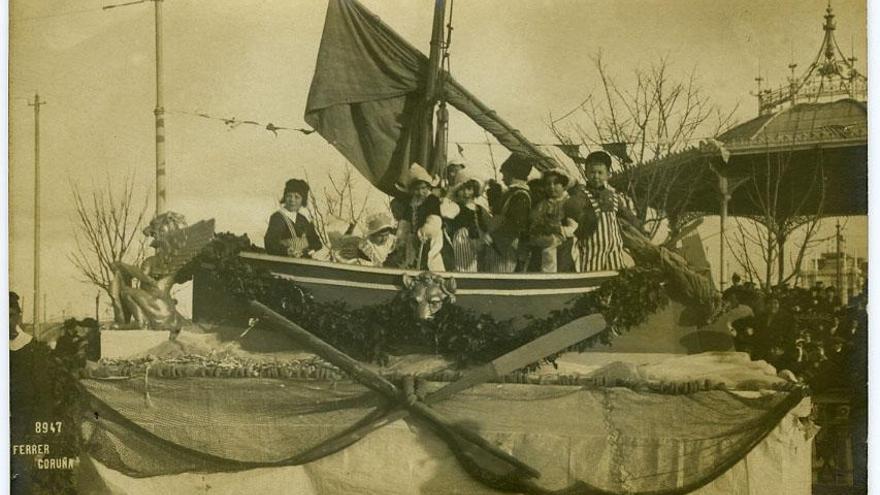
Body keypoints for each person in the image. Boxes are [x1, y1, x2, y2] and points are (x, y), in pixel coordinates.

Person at [565, 151, 637, 272]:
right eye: (592, 172)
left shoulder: (614, 197)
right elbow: (571, 207)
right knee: (591, 279)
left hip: (613, 248)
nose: (596, 176)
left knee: (615, 278)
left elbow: (627, 216)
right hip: (591, 249)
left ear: (608, 174)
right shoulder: (582, 194)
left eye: (600, 172)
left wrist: (639, 227)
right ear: (586, 173)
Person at [484, 154, 534, 272]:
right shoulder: (514, 193)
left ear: (512, 174)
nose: (502, 178)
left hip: (507, 247)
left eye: (504, 174)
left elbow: (516, 223)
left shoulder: (520, 195)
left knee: (501, 278)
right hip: (503, 245)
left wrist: (493, 239)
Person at [397, 163, 446, 271]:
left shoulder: (432, 200)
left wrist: (423, 232)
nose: (420, 192)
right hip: (413, 239)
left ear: (428, 187)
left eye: (423, 188)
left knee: (431, 260)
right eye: (417, 189)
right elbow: (405, 222)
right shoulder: (411, 203)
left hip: (429, 237)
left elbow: (434, 221)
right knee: (411, 261)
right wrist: (402, 238)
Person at [528, 169, 578, 272]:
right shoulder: (541, 205)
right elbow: (534, 222)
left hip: (563, 247)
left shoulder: (569, 203)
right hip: (542, 244)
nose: (551, 187)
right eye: (548, 184)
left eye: (556, 183)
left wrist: (558, 229)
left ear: (564, 185)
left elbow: (575, 229)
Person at [264, 179, 324, 258]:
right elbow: (270, 243)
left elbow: (316, 243)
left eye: (297, 197)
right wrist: (287, 251)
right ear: (285, 197)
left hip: (303, 261)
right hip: (284, 261)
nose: (292, 200)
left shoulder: (303, 219)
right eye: (289, 196)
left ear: (303, 200)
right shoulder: (278, 218)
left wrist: (308, 252)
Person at [447, 175, 491, 272]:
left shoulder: (479, 209)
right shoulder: (457, 207)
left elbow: (485, 224)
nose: (466, 192)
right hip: (462, 240)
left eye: (469, 189)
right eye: (462, 189)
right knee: (462, 267)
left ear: (474, 191)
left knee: (476, 266)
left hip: (477, 241)